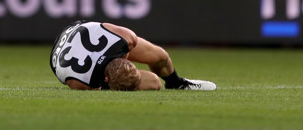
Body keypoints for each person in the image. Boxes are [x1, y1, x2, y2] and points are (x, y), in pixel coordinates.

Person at [50, 21, 216, 91]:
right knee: (153, 83)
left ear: (124, 57)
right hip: (62, 45)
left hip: (83, 30)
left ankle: (177, 83)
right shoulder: (83, 81)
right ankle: (118, 86)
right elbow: (75, 83)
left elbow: (105, 26)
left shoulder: (124, 40)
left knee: (160, 56)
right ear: (105, 79)